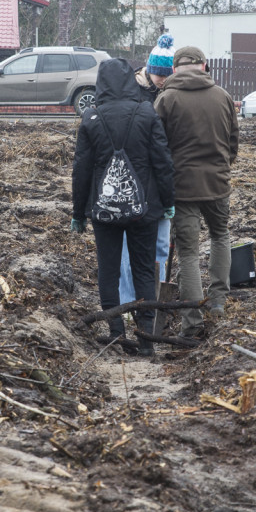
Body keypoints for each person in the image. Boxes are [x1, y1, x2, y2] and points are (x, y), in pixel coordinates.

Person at [71, 58, 175, 356]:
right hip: (145, 210)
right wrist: (167, 203)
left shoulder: (91, 117)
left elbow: (81, 171)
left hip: (103, 211)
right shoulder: (146, 113)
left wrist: (79, 214)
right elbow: (163, 163)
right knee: (144, 271)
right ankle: (145, 342)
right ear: (130, 81)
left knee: (108, 270)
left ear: (101, 83)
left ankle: (116, 334)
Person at [154, 46, 239, 338]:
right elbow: (233, 143)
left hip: (182, 189)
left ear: (175, 69)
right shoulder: (223, 96)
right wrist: (221, 167)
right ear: (204, 67)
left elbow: (157, 148)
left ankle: (192, 322)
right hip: (217, 185)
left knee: (188, 253)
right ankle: (218, 302)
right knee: (221, 236)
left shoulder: (166, 99)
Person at [119, 33, 177, 310]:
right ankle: (129, 301)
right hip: (137, 174)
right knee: (130, 249)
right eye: (158, 74)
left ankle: (154, 301)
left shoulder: (172, 94)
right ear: (149, 69)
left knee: (160, 248)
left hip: (161, 176)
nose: (162, 80)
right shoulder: (133, 89)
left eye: (167, 75)